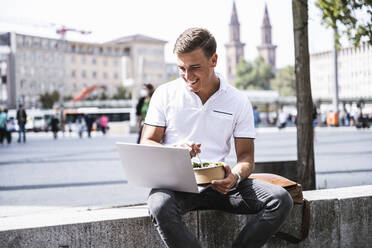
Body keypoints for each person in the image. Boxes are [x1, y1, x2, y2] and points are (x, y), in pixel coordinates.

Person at [142, 28, 293, 248]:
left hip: (222, 185)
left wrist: (234, 177)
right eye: (181, 68)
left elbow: (246, 159)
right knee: (159, 205)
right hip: (177, 184)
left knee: (280, 200)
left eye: (195, 68)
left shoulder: (238, 101)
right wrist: (174, 148)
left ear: (214, 60)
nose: (188, 77)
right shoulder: (164, 94)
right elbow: (147, 142)